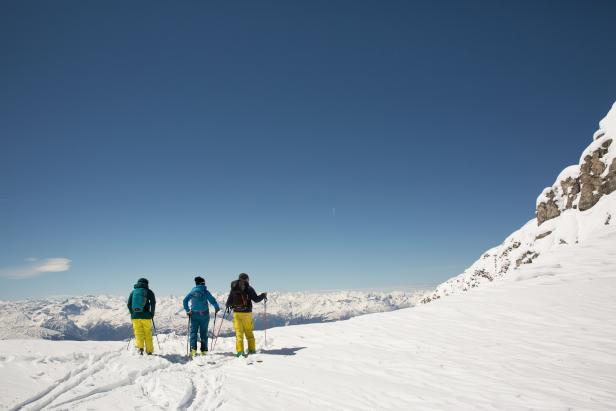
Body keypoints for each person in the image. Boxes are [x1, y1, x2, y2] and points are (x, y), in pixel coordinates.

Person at [225, 273, 267, 357]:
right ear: (247, 279)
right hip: (247, 313)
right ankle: (251, 350)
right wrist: (263, 295)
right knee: (249, 332)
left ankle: (240, 352)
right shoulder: (249, 288)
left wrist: (232, 305)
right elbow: (256, 299)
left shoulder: (233, 288)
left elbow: (228, 303)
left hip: (237, 313)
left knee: (239, 333)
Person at [183, 276, 220, 357]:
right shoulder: (206, 292)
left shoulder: (192, 292)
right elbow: (212, 300)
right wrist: (216, 308)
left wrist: (187, 310)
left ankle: (193, 350)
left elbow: (185, 301)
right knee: (203, 333)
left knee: (193, 332)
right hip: (205, 315)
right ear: (203, 283)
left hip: (194, 315)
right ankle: (203, 350)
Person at [127, 277, 156, 355]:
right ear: (147, 284)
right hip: (146, 316)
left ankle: (140, 349)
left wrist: (132, 313)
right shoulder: (149, 292)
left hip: (135, 316)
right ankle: (149, 351)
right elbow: (153, 303)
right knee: (147, 333)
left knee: (138, 333)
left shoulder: (133, 292)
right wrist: (151, 314)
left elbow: (129, 304)